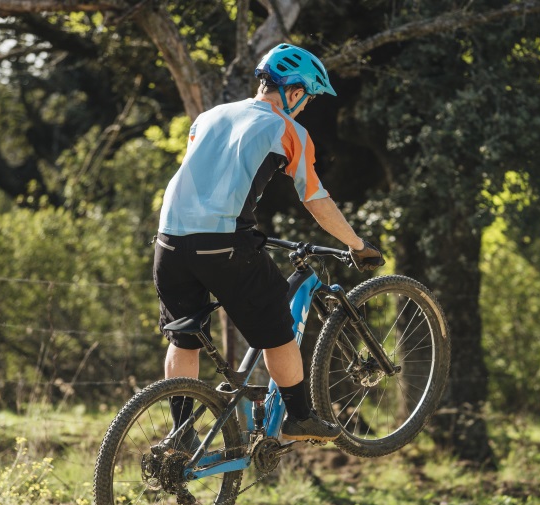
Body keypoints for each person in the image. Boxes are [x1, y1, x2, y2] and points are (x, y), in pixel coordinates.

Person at [154, 43, 385, 442]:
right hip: (224, 243)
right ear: (294, 92)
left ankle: (182, 432)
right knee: (279, 327)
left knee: (183, 336)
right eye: (308, 97)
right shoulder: (288, 129)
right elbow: (316, 199)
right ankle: (300, 418)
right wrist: (357, 243)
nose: (305, 106)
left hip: (168, 241)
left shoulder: (208, 117)